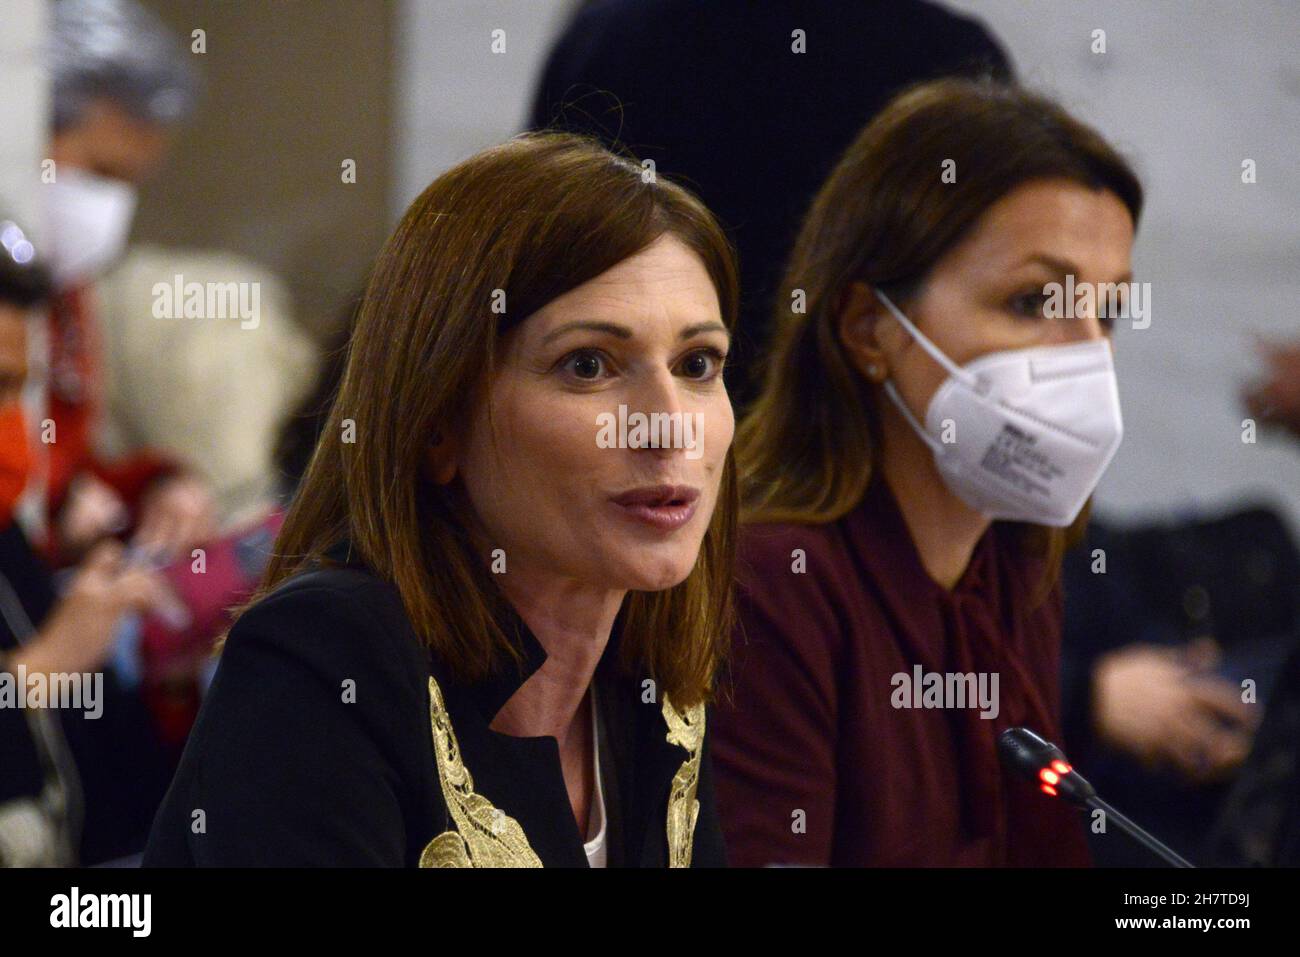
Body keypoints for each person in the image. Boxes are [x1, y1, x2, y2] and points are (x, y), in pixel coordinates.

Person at [144, 132, 737, 867]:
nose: (669, 424)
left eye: (698, 363)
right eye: (588, 365)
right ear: (437, 424)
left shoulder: (652, 674)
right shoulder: (322, 658)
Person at [711, 78, 1143, 866]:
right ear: (869, 327)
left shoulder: (1013, 562)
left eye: (1106, 310)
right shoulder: (771, 585)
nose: (1086, 352)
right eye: (1033, 300)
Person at [529, 0, 1013, 411]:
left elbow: (546, 262)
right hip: (857, 432)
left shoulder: (609, 33)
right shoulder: (948, 57)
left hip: (649, 420)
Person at [0, 217, 169, 866]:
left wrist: (173, 684)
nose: (16, 427)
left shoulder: (7, 542)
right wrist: (37, 671)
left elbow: (124, 798)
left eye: (21, 389)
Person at [39, 0, 215, 565]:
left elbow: (58, 465)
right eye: (99, 173)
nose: (108, 207)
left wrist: (152, 490)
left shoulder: (64, 290)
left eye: (129, 183)